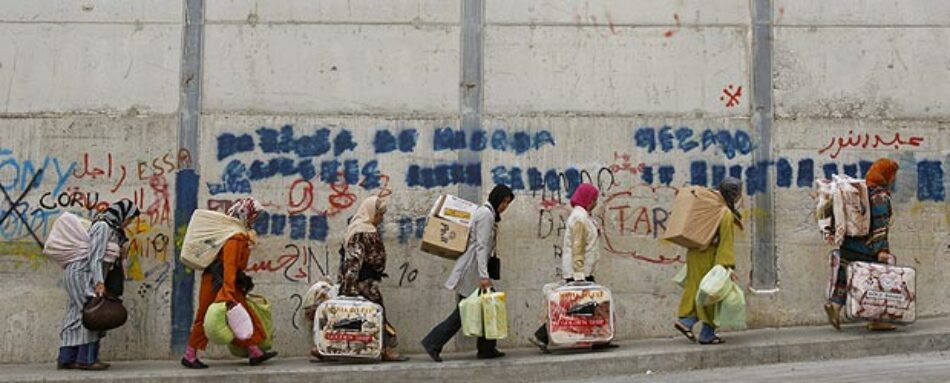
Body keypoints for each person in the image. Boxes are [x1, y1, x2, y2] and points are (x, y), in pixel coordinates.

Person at [420, 185, 515, 362]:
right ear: (496, 198)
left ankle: (487, 348)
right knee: (464, 312)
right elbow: (481, 247)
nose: (504, 206)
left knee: (486, 306)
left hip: (475, 269)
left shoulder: (487, 213)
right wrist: (484, 276)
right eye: (503, 201)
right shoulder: (486, 215)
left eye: (507, 203)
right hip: (474, 271)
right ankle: (433, 342)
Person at [181, 197, 277, 369]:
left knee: (242, 315)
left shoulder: (235, 232)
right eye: (254, 215)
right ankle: (189, 354)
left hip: (224, 281)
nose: (255, 219)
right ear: (246, 214)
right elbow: (230, 265)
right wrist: (227, 292)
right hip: (219, 283)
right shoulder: (236, 236)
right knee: (205, 316)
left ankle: (255, 351)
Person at [529, 183, 615, 353]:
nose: (595, 203)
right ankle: (542, 336)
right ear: (588, 200)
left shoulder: (584, 216)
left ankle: (601, 338)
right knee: (576, 308)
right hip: (580, 272)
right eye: (594, 199)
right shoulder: (579, 219)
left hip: (583, 271)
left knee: (589, 306)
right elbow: (578, 246)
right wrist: (579, 275)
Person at [57, 200, 140, 370]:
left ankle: (66, 358)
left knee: (77, 314)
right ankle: (86, 359)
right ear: (122, 215)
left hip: (84, 274)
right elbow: (95, 257)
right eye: (130, 219)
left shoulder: (114, 231)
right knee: (94, 314)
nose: (129, 222)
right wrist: (99, 282)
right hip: (83, 275)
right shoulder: (103, 227)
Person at [824, 158, 899, 332]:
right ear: (886, 174)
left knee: (844, 278)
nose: (894, 178)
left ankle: (834, 306)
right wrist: (882, 250)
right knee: (876, 283)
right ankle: (876, 320)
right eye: (893, 174)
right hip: (868, 247)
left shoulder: (860, 190)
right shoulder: (879, 195)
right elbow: (880, 225)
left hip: (849, 243)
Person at [336, 195, 409, 362]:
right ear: (370, 212)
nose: (381, 218)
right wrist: (350, 289)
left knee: (359, 318)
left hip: (364, 282)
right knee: (377, 315)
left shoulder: (362, 228)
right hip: (363, 284)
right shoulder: (361, 232)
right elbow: (354, 261)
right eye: (379, 214)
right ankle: (384, 350)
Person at [673, 177, 743, 345]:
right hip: (711, 257)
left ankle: (687, 321)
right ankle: (704, 332)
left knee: (695, 289)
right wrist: (726, 266)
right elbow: (725, 242)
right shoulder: (724, 213)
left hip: (695, 254)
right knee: (712, 294)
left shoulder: (711, 208)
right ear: (733, 195)